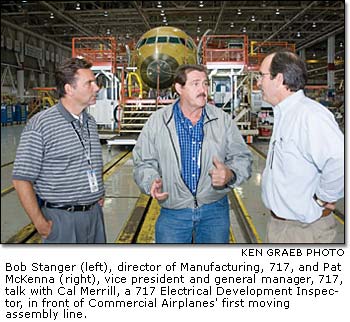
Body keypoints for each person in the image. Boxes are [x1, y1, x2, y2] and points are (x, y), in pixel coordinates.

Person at [133, 64, 252, 243]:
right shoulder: (158, 121)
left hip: (214, 211)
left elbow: (242, 157)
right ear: (179, 88)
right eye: (195, 84)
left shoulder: (222, 120)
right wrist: (150, 181)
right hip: (173, 211)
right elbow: (143, 161)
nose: (203, 90)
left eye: (205, 84)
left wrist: (231, 174)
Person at [12, 57, 106, 243]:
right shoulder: (41, 125)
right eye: (89, 83)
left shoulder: (90, 123)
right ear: (69, 89)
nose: (96, 88)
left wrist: (97, 193)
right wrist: (41, 224)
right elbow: (21, 180)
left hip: (94, 216)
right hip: (62, 220)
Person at [258, 50, 344, 243]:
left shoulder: (309, 115)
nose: (258, 82)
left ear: (278, 79)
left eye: (261, 76)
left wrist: (322, 198)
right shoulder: (285, 114)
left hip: (303, 231)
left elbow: (340, 158)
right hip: (282, 226)